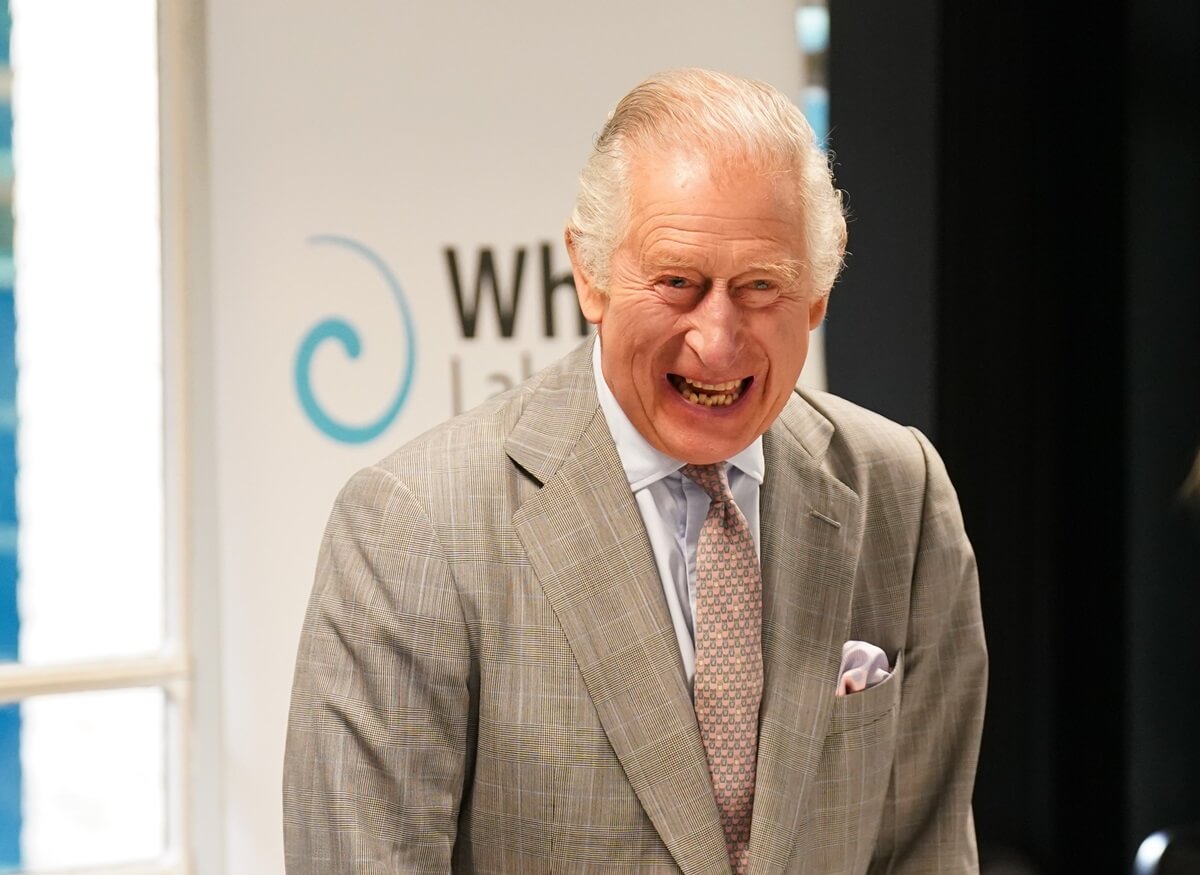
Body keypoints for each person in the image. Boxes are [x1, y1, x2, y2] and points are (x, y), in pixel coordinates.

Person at [283, 68, 986, 874]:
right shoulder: (415, 525)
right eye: (678, 284)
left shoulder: (899, 492)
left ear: (819, 292)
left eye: (761, 287)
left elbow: (930, 849)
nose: (717, 341)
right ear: (590, 274)